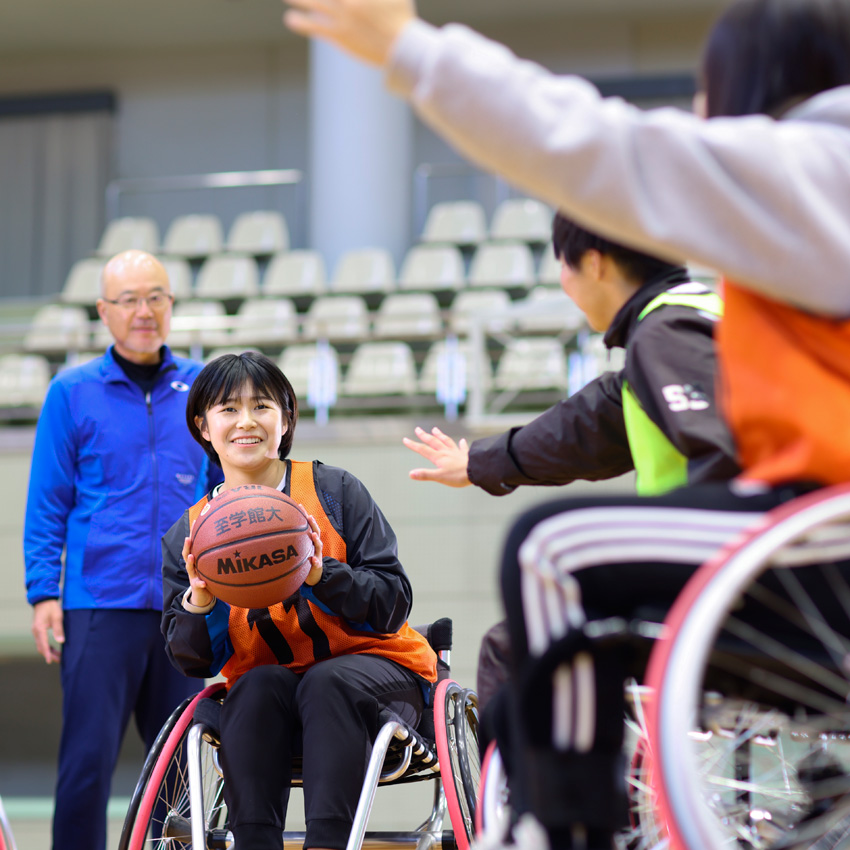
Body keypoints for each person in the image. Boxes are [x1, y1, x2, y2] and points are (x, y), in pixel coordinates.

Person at [281, 1, 850, 847]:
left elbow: (595, 144)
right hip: (803, 545)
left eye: (705, 93)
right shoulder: (711, 297)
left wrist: (410, 50)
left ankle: (565, 825)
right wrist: (481, 459)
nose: (699, 116)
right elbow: (594, 424)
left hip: (807, 548)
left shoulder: (793, 182)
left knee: (547, 553)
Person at [161, 351, 438, 850]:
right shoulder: (191, 532)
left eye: (262, 407)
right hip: (275, 693)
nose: (246, 421)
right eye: (228, 409)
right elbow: (192, 659)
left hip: (377, 674)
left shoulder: (334, 491)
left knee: (327, 681)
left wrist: (319, 572)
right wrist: (199, 600)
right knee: (254, 685)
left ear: (285, 419)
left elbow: (393, 601)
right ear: (203, 426)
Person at [23, 249, 222, 850]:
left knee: (182, 770)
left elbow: (227, 493)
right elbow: (47, 501)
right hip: (97, 605)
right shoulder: (71, 392)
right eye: (129, 300)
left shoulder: (203, 389)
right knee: (86, 763)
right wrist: (43, 594)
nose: (144, 311)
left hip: (183, 605)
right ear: (105, 312)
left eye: (155, 296)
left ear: (171, 305)